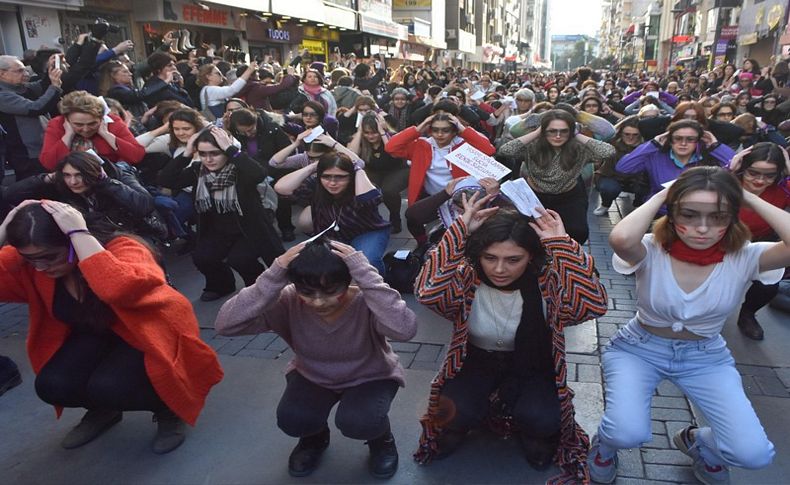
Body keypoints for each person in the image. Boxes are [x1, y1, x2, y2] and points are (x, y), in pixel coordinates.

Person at [587, 166, 790, 484]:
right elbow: (621, 237)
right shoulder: (653, 247)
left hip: (706, 357)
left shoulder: (746, 256)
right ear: (674, 211)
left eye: (718, 216)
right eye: (690, 214)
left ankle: (700, 443)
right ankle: (605, 445)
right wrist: (664, 193)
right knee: (625, 431)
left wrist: (746, 196)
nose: (702, 228)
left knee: (753, 454)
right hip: (638, 349)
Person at [0, 200, 223, 452]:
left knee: (110, 386)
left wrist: (79, 233)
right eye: (30, 260)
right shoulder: (35, 262)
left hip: (147, 334)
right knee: (52, 384)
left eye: (49, 257)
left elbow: (116, 289)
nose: (40, 267)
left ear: (73, 243)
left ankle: (168, 409)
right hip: (95, 334)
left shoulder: (125, 247)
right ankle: (102, 411)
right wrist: (3, 230)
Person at [413, 196, 607, 483]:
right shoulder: (467, 277)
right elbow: (427, 293)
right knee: (452, 412)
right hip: (475, 361)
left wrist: (562, 245)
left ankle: (533, 434)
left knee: (542, 419)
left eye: (513, 259)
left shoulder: (547, 281)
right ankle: (465, 423)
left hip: (532, 364)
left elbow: (592, 306)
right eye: (490, 258)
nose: (500, 269)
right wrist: (460, 230)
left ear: (531, 257)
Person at [214, 239, 417, 478]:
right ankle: (314, 438)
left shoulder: (367, 300)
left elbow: (405, 329)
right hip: (313, 375)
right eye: (307, 293)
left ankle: (381, 439)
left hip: (371, 375)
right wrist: (274, 274)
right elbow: (225, 324)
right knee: (293, 419)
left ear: (348, 281)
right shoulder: (287, 300)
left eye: (331, 291)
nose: (319, 302)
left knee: (359, 421)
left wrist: (365, 274)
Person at [158, 126, 285, 301]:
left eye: (215, 153)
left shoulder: (239, 168)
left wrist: (232, 150)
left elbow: (259, 173)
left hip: (249, 228)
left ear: (225, 151)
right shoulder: (198, 171)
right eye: (203, 154)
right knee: (202, 257)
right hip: (216, 230)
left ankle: (259, 287)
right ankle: (222, 285)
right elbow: (166, 180)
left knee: (240, 259)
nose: (208, 159)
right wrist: (187, 152)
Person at [499, 109, 615, 244]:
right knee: (529, 235)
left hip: (568, 198)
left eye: (564, 131)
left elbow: (609, 151)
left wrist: (575, 134)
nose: (558, 136)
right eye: (552, 131)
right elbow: (505, 150)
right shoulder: (532, 147)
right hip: (535, 198)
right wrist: (538, 132)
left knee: (577, 233)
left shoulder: (579, 149)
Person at [385, 112, 496, 245]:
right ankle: (423, 244)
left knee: (466, 237)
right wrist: (419, 128)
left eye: (445, 130)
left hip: (460, 200)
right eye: (435, 130)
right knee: (412, 217)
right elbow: (391, 147)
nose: (440, 134)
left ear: (454, 132)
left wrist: (462, 128)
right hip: (434, 197)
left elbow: (489, 150)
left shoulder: (464, 145)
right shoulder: (421, 145)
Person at [274, 150, 391, 274]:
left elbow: (369, 199)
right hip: (332, 235)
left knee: (367, 261)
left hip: (367, 231)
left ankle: (377, 289)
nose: (332, 183)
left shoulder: (360, 185)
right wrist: (313, 167)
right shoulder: (316, 185)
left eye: (340, 177)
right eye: (326, 176)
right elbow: (281, 188)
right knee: (317, 266)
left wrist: (358, 170)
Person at [4, 152, 160, 241]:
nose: (73, 181)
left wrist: (107, 184)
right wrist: (47, 178)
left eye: (79, 175)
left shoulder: (119, 176)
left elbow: (144, 206)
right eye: (67, 175)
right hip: (90, 240)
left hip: (132, 234)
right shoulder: (61, 185)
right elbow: (9, 195)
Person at [728, 143, 790, 340]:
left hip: (759, 243)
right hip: (721, 242)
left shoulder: (782, 189)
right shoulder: (727, 182)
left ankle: (747, 314)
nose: (760, 180)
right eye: (753, 173)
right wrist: (729, 170)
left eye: (770, 175)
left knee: (769, 285)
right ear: (743, 168)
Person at [616, 119, 735, 202]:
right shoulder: (655, 157)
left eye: (690, 139)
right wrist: (653, 144)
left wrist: (715, 146)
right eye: (677, 138)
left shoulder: (709, 159)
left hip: (697, 213)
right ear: (670, 139)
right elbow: (623, 167)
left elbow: (737, 166)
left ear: (698, 141)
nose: (683, 143)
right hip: (661, 212)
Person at [40, 90, 145, 171]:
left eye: (92, 124)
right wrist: (68, 136)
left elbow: (136, 155)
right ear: (67, 120)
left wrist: (106, 134)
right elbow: (49, 163)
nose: (85, 129)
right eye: (78, 124)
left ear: (101, 118)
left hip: (111, 176)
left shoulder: (113, 122)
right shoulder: (57, 124)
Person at [0, 54, 63, 180]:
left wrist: (50, 68)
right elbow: (37, 108)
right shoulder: (3, 95)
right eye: (19, 70)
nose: (26, 73)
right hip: (27, 154)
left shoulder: (22, 88)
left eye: (25, 69)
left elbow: (43, 85)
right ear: (2, 74)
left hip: (43, 147)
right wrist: (55, 87)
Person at [348, 113, 409, 233]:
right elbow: (351, 154)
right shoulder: (361, 140)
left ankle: (395, 218)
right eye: (367, 132)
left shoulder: (391, 137)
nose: (370, 136)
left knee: (389, 190)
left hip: (397, 170)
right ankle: (370, 219)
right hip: (374, 171)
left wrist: (382, 132)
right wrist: (360, 132)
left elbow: (394, 153)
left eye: (373, 132)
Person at [593, 117, 649, 215]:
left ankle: (638, 206)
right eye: (627, 134)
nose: (630, 137)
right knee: (609, 188)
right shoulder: (613, 143)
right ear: (621, 133)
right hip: (613, 176)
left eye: (635, 135)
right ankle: (605, 205)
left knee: (645, 187)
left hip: (637, 180)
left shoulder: (645, 147)